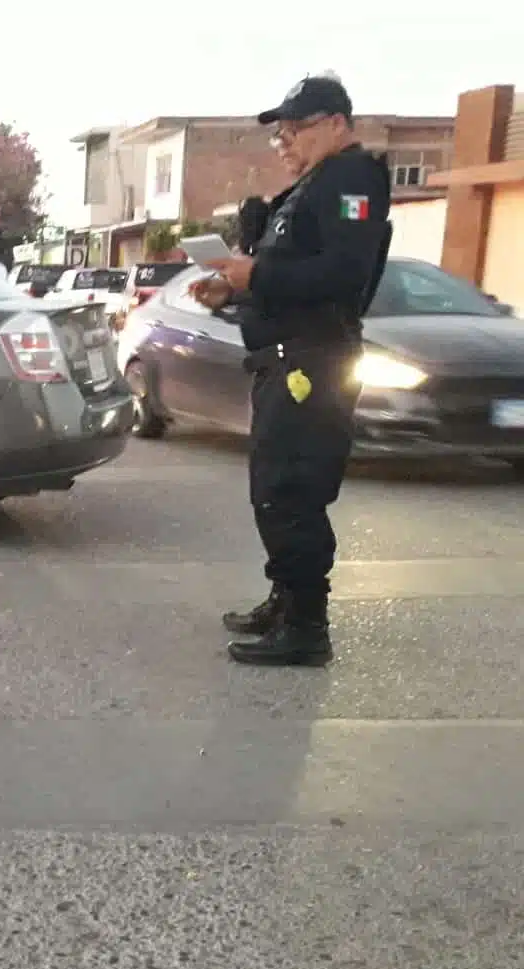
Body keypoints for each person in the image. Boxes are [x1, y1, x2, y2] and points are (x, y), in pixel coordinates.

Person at [193, 74, 391, 667]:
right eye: (279, 133)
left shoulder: (352, 180)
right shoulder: (314, 187)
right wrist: (230, 292)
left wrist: (255, 276)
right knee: (274, 491)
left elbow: (344, 275)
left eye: (294, 129)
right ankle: (285, 600)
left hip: (314, 364)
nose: (284, 142)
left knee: (292, 493)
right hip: (286, 361)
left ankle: (306, 625)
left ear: (336, 123)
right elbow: (290, 282)